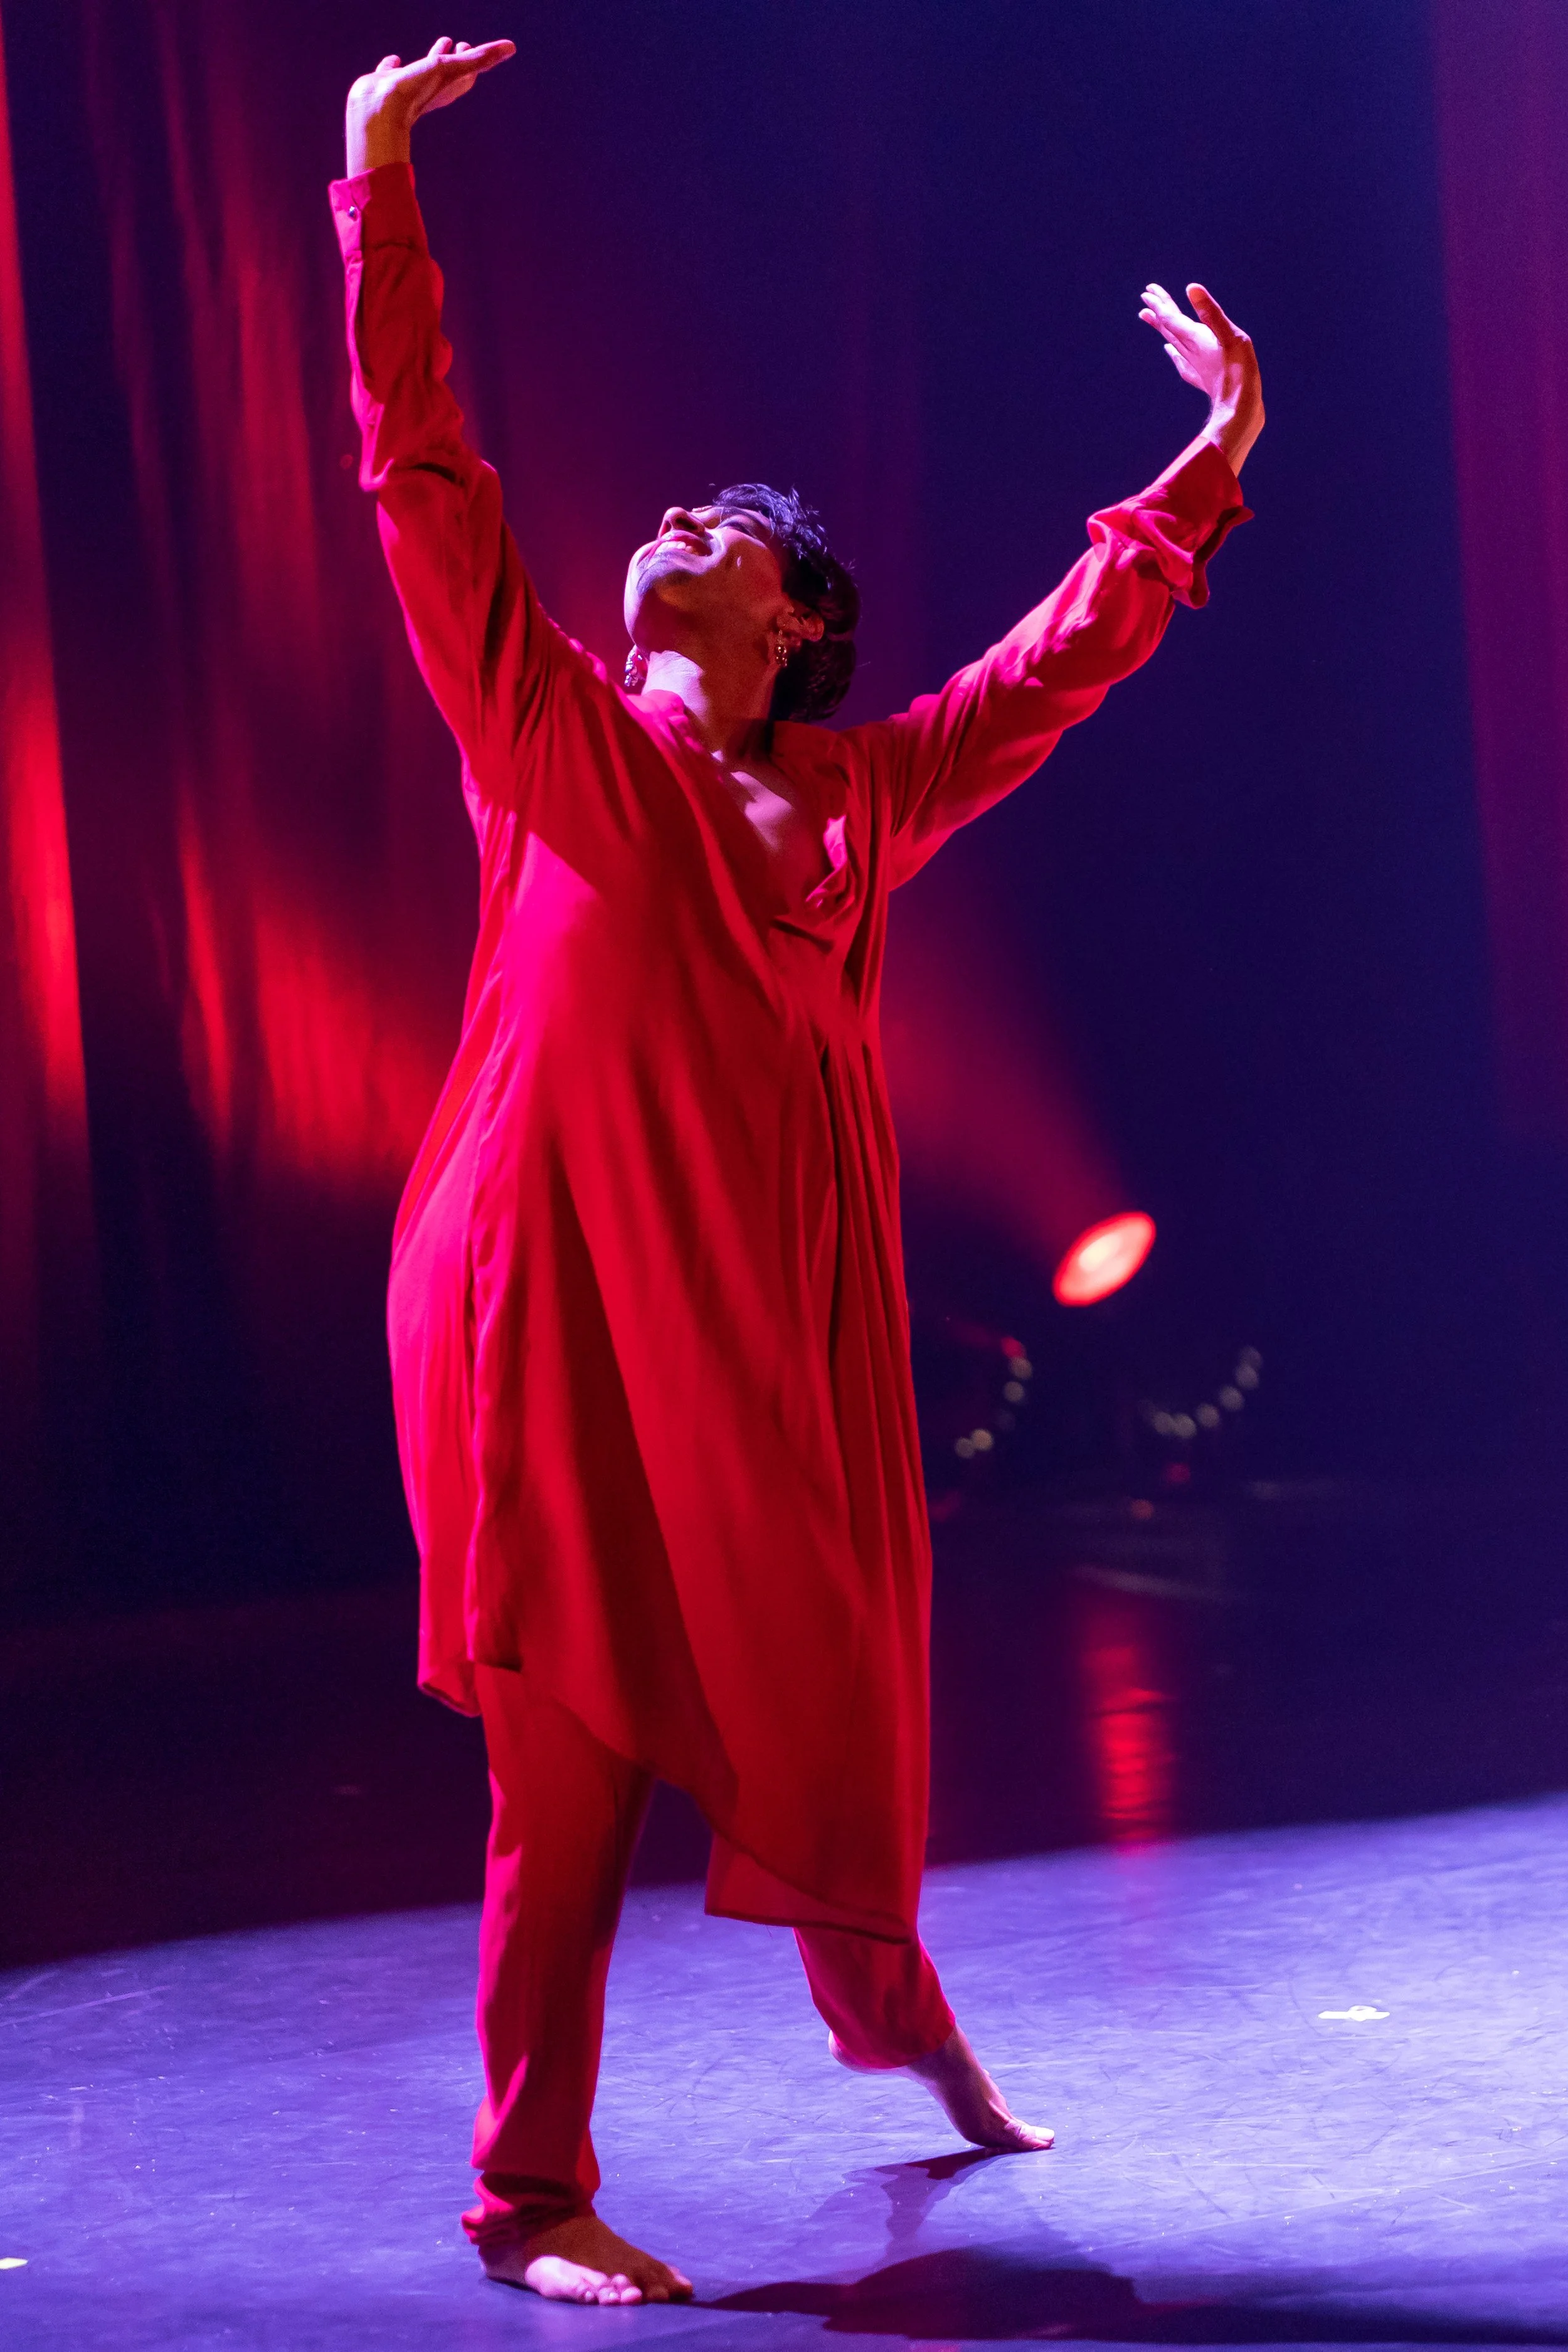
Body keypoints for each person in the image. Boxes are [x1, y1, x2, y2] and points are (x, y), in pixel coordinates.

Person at [332, 33, 1262, 2311]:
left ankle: (893, 2012)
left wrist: (1216, 450)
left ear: (794, 627)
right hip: (551, 1298)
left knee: (831, 1683)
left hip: (758, 1328)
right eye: (665, 521)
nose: (669, 527)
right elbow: (425, 476)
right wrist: (377, 181)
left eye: (720, 533)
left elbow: (1052, 667)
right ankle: (529, 2192)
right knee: (563, 1769)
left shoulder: (855, 795)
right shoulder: (548, 728)